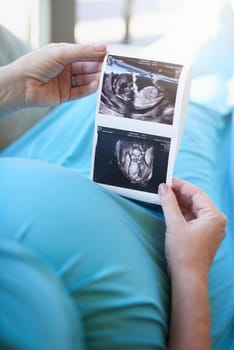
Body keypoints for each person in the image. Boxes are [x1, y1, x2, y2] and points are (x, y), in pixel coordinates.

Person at [0, 43, 232, 350]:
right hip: (180, 261)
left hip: (52, 148)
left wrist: (12, 86)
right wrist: (190, 273)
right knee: (206, 95)